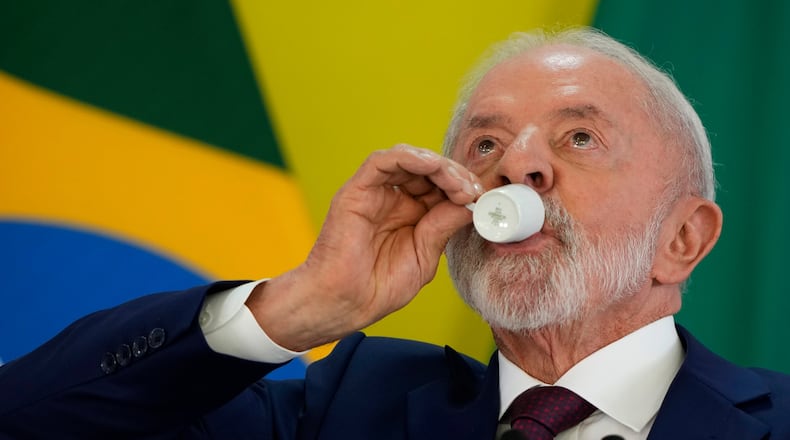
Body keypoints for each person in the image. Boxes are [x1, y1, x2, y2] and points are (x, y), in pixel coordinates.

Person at [1, 26, 789, 440]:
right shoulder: (345, 409)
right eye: (485, 144)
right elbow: (29, 419)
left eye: (579, 137)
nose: (516, 167)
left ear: (683, 239)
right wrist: (296, 308)